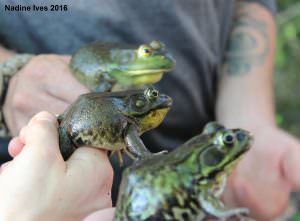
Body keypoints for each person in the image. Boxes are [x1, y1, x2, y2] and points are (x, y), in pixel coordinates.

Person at [1, 0, 300, 220]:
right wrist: (9, 77)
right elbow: (133, 140)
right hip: (37, 179)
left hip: (189, 164)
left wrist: (250, 115)